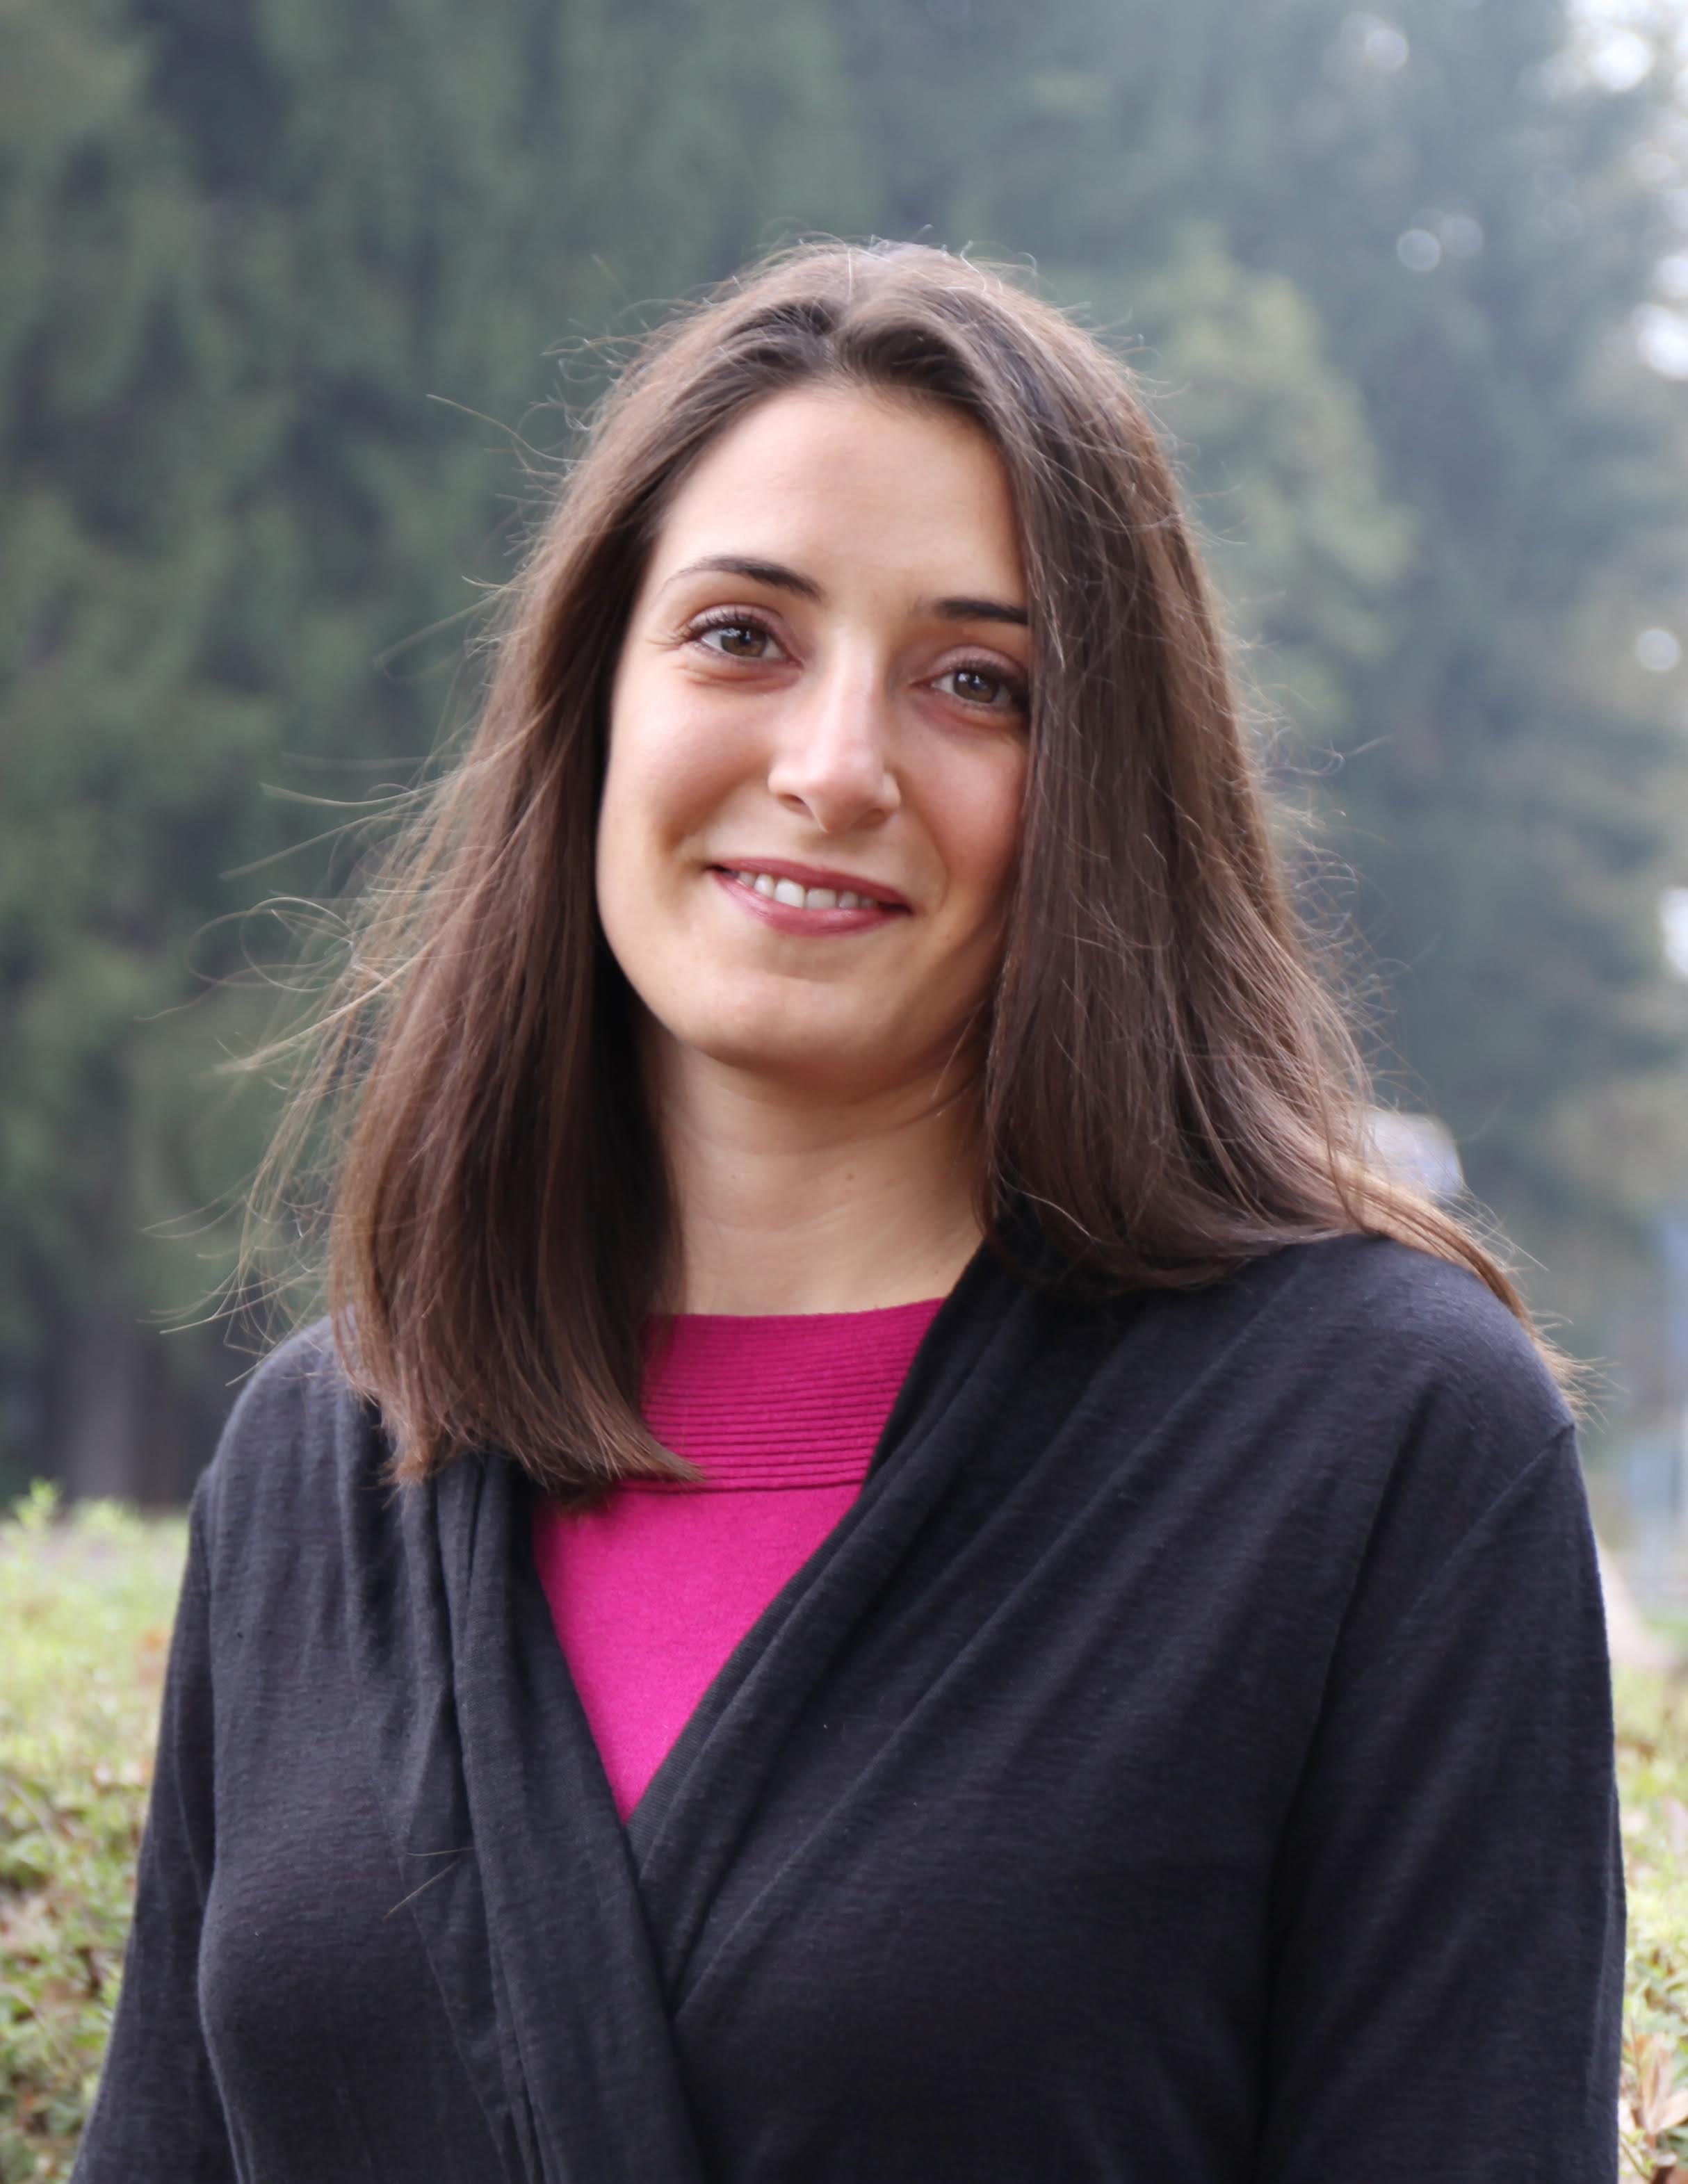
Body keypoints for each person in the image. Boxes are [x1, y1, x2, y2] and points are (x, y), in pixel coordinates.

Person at [72, 240, 1623, 2183]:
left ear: (1103, 793)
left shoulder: (1377, 1440)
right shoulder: (332, 1454)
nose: (832, 769)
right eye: (742, 636)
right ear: (591, 705)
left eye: (977, 684)